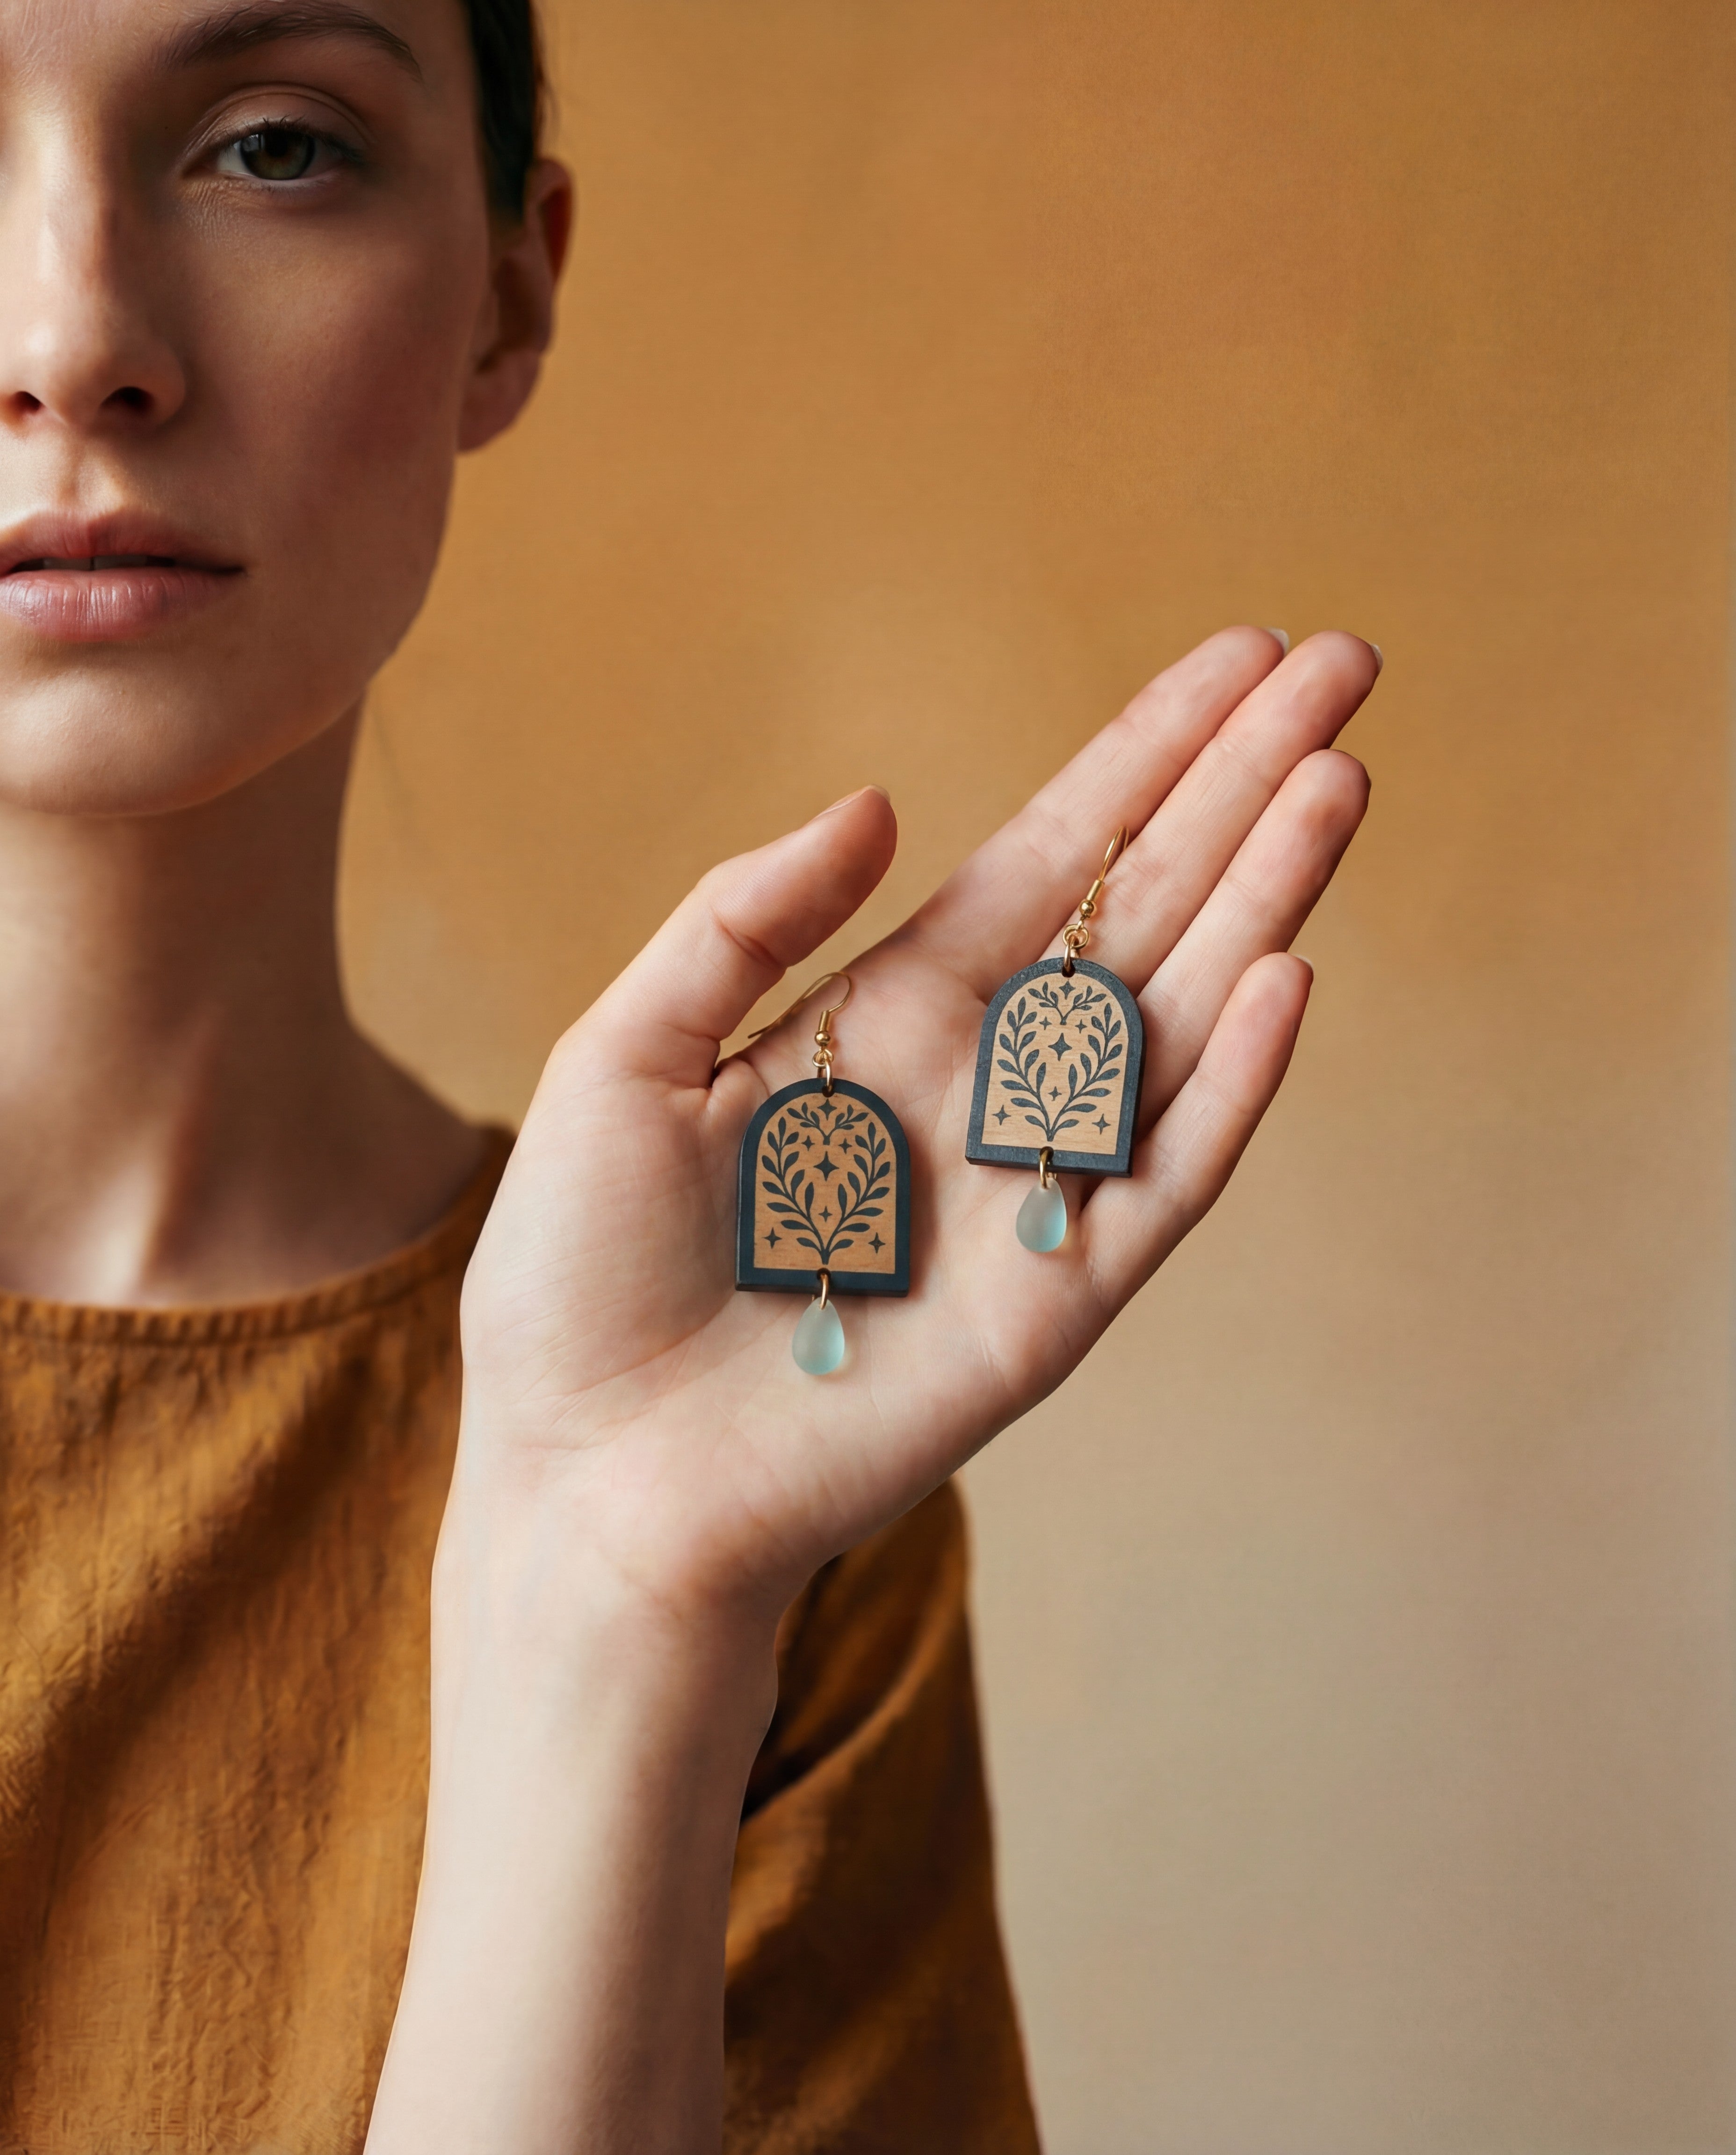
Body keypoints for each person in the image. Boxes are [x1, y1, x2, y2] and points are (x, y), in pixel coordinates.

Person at [0, 0, 1376, 2147]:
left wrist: (610, 1623)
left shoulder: (762, 1436)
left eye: (273, 146)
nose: (78, 339)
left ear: (507, 284)